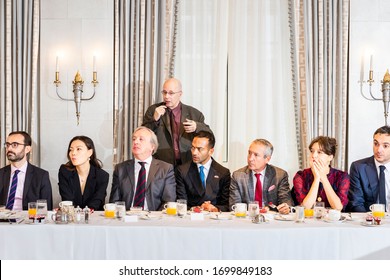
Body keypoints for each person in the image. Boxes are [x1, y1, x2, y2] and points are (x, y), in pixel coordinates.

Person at [142, 78, 212, 166]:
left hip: (188, 165)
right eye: (164, 92)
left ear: (180, 94)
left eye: (171, 93)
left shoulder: (194, 114)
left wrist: (197, 127)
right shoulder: (153, 111)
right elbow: (143, 136)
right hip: (161, 164)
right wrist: (154, 119)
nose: (166, 96)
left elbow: (209, 137)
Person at [109, 126, 176, 210]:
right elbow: (115, 202)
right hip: (127, 218)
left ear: (152, 146)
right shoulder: (121, 169)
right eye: (134, 139)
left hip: (154, 219)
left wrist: (154, 218)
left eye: (141, 139)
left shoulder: (165, 169)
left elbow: (169, 202)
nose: (135, 142)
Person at [229, 139, 293, 214]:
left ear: (267, 159)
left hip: (272, 221)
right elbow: (234, 206)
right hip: (246, 220)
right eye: (249, 153)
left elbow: (286, 202)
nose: (250, 158)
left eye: (256, 155)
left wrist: (284, 208)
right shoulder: (238, 176)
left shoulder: (280, 175)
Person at [176, 131, 230, 212]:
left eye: (199, 149)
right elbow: (181, 203)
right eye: (193, 148)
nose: (194, 152)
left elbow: (226, 205)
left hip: (215, 219)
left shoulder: (223, 173)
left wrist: (214, 208)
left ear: (211, 151)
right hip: (191, 218)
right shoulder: (182, 171)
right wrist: (196, 209)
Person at [293, 136, 349, 211]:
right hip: (308, 220)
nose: (314, 155)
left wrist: (323, 178)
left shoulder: (341, 176)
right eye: (312, 151)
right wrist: (316, 178)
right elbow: (305, 207)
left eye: (319, 152)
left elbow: (338, 208)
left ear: (330, 157)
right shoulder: (301, 175)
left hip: (332, 221)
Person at [0, 131, 53, 210]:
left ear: (27, 149)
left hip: (28, 219)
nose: (9, 148)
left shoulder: (41, 176)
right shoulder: (1, 174)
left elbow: (46, 209)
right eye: (7, 145)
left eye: (15, 145)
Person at [58, 136, 109, 210]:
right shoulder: (65, 171)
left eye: (78, 149)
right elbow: (67, 200)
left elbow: (96, 202)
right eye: (71, 150)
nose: (73, 153)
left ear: (90, 152)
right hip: (72, 217)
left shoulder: (102, 176)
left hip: (94, 217)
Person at [349, 126, 390, 212]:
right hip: (368, 220)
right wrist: (371, 220)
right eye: (376, 144)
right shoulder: (358, 168)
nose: (379, 150)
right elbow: (356, 203)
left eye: (385, 146)